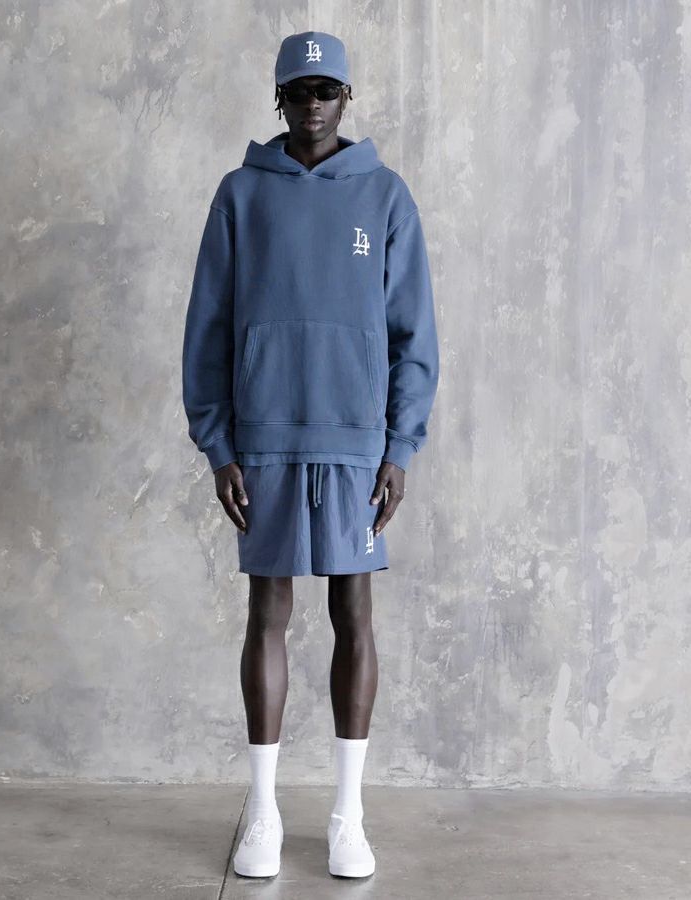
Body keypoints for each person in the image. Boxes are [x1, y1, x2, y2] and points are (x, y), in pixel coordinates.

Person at [182, 30, 439, 880]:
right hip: (264, 437)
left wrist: (400, 445)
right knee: (268, 612)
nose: (315, 104)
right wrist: (219, 444)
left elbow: (413, 333)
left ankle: (346, 816)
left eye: (329, 89)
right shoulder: (240, 194)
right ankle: (262, 811)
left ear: (348, 98)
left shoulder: (385, 196)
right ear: (279, 98)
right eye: (300, 90)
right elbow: (208, 328)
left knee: (353, 613)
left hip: (355, 444)